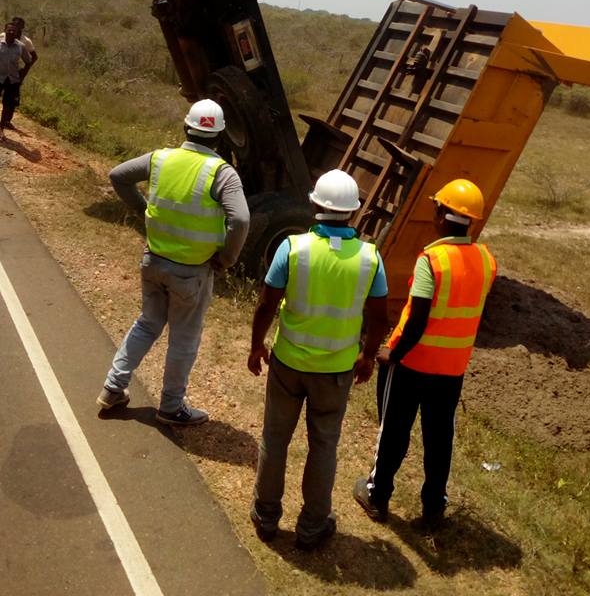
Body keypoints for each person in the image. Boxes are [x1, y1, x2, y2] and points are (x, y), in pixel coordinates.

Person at [248, 169, 388, 551]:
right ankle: (312, 526)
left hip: (289, 363)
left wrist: (256, 345)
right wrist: (368, 356)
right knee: (323, 446)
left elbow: (267, 303)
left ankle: (266, 515)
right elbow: (380, 317)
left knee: (275, 439)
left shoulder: (293, 248)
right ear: (352, 213)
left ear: (314, 204)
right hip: (337, 371)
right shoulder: (369, 257)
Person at [354, 178, 496, 529]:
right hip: (452, 368)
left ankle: (378, 494)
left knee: (394, 430)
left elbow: (417, 320)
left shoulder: (431, 260)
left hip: (413, 364)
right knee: (439, 436)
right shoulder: (485, 260)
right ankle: (433, 506)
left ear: (442, 215)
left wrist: (393, 354)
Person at [97, 99, 249, 424]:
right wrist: (226, 258)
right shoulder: (223, 173)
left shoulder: (160, 159)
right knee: (184, 338)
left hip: (154, 261)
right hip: (191, 273)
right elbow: (241, 221)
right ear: (220, 137)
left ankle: (113, 387)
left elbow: (118, 175)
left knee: (147, 323)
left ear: (186, 129)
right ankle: (170, 406)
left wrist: (142, 210)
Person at [0, 21, 33, 140]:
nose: (11, 32)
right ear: (5, 30)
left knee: (7, 105)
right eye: (9, 30)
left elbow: (28, 62)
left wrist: (22, 74)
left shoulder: (20, 46)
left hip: (12, 80)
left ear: (16, 33)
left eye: (14, 30)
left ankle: (1, 129)